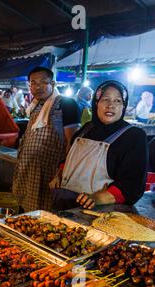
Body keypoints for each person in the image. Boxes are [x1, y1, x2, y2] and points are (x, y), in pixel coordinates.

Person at [50, 81, 147, 210]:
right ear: (96, 104)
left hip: (99, 211)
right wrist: (59, 174)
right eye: (105, 99)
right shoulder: (86, 129)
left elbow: (133, 184)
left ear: (124, 106)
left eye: (118, 101)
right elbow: (69, 158)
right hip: (64, 202)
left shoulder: (133, 136)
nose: (111, 105)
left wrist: (98, 198)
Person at [12, 67, 81, 212]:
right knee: (28, 211)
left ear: (53, 84)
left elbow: (73, 142)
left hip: (51, 172)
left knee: (47, 212)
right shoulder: (34, 107)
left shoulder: (66, 104)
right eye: (33, 83)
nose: (37, 87)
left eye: (43, 82)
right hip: (30, 171)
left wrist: (61, 172)